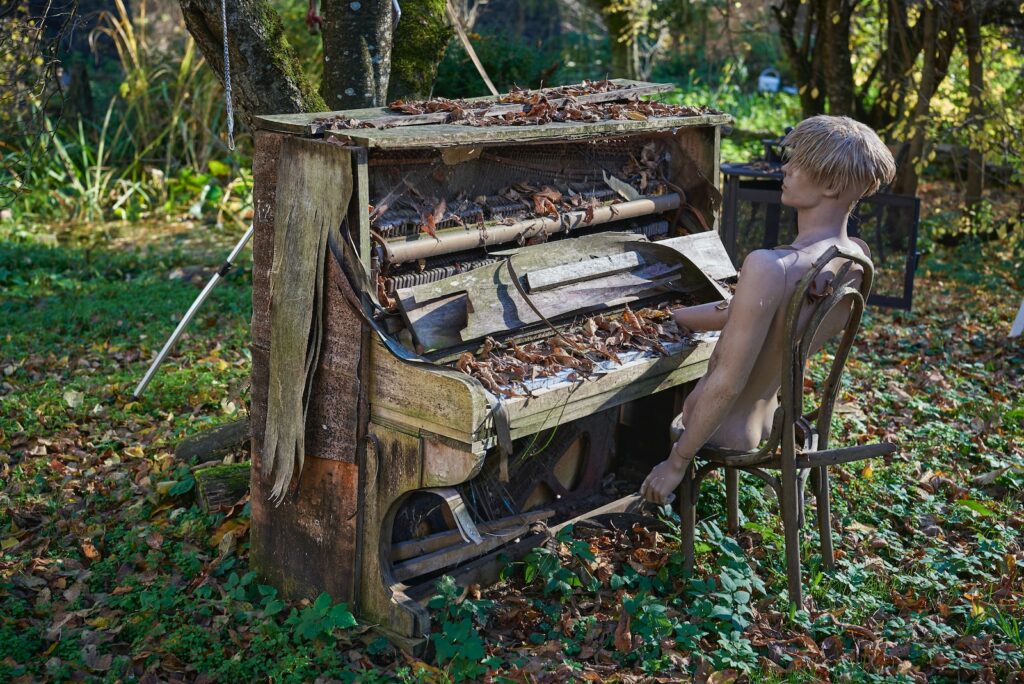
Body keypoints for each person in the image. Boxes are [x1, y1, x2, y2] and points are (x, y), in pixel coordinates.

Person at [640, 115, 896, 504]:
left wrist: (676, 463)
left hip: (722, 428)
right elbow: (764, 316)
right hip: (774, 419)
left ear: (830, 185)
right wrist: (676, 318)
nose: (786, 169)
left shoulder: (769, 266)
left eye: (799, 163)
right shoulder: (854, 259)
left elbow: (727, 381)